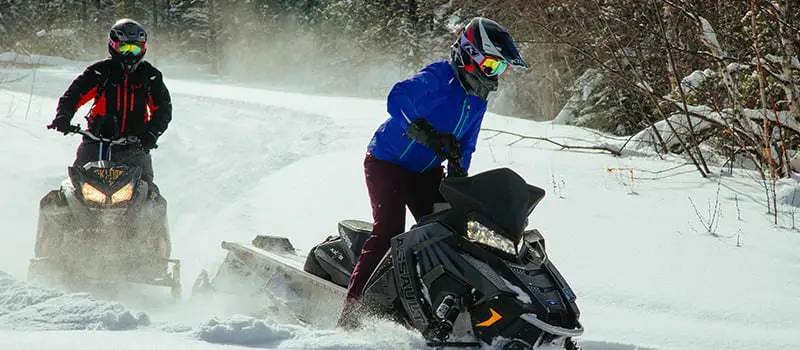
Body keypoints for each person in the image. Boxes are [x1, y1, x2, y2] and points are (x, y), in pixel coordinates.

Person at [339, 17, 527, 327]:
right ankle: (351, 315)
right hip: (386, 162)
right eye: (493, 66)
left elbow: (469, 143)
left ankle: (439, 305)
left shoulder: (477, 98)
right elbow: (396, 97)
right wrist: (421, 130)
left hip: (425, 172)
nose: (495, 75)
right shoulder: (439, 76)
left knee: (450, 233)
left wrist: (459, 176)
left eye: (501, 69)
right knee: (388, 234)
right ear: (469, 56)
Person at [48, 18, 172, 196]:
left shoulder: (150, 76)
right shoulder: (100, 71)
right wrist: (63, 117)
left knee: (149, 194)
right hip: (95, 143)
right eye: (124, 48)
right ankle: (62, 222)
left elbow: (163, 109)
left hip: (135, 146)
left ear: (143, 49)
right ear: (113, 46)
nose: (130, 54)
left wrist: (151, 133)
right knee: (71, 190)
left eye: (135, 48)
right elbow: (73, 96)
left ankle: (153, 224)